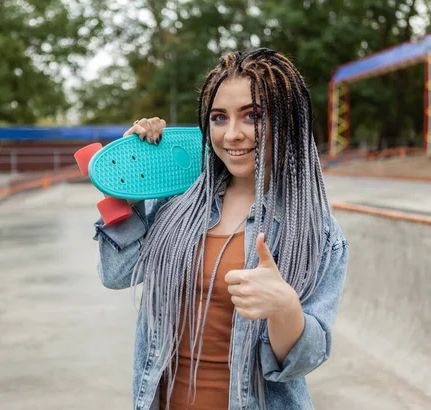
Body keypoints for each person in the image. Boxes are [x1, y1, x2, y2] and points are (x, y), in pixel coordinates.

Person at [92, 48, 349, 410]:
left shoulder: (315, 232)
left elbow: (302, 363)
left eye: (253, 116)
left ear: (287, 121)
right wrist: (128, 189)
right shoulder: (177, 202)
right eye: (218, 117)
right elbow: (116, 274)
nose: (232, 134)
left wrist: (284, 307)